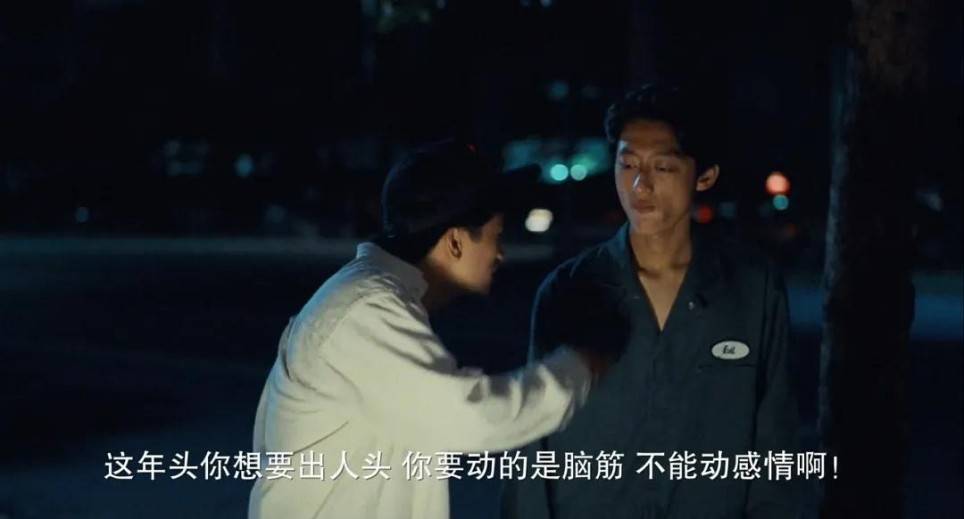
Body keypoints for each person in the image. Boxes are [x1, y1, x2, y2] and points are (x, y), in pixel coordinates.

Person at [248, 139, 615, 519]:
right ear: (455, 241)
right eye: (497, 235)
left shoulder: (374, 299)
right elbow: (472, 417)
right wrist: (581, 365)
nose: (500, 254)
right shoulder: (365, 309)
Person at [501, 83, 802, 518]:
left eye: (662, 167)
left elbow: (776, 444)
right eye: (628, 165)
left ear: (704, 175)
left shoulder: (752, 289)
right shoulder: (569, 290)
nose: (641, 185)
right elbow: (532, 441)